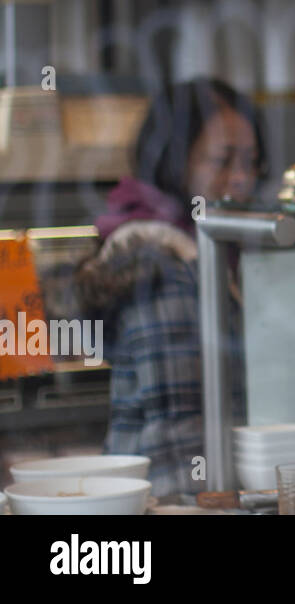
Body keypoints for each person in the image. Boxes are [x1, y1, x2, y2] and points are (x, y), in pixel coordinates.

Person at [74, 78, 267, 497]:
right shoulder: (163, 266)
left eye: (251, 162)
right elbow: (179, 430)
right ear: (173, 163)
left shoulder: (214, 251)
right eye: (223, 160)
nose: (241, 179)